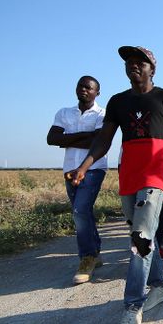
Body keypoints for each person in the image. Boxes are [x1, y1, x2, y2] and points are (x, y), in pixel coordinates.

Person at [70, 46, 163, 324]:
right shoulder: (117, 101)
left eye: (140, 62)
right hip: (129, 175)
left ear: (152, 69)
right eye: (129, 62)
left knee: (140, 238)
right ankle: (161, 284)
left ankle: (132, 307)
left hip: (156, 174)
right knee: (143, 234)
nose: (133, 66)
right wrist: (84, 167)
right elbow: (104, 140)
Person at [47, 76, 107, 285]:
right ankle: (95, 252)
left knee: (80, 211)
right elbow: (52, 139)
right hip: (69, 170)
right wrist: (85, 136)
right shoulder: (64, 112)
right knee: (83, 212)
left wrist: (69, 138)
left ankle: (87, 259)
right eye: (80, 86)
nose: (83, 90)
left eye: (88, 88)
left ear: (96, 93)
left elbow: (98, 141)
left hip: (94, 169)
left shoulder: (102, 113)